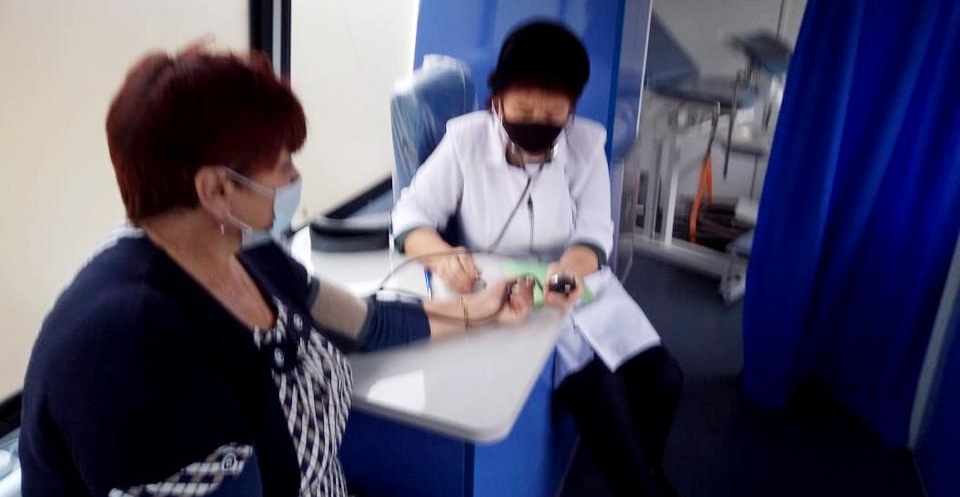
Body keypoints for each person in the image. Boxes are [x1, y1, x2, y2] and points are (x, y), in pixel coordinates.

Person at [18, 45, 534, 497]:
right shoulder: (132, 345)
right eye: (284, 166)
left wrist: (475, 310)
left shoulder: (240, 246)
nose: (295, 179)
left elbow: (364, 324)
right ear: (216, 190)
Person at [392, 21, 684, 497]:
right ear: (497, 98)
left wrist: (569, 271)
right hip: (501, 292)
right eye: (524, 109)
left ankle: (642, 473)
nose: (537, 122)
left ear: (572, 107)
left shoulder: (586, 145)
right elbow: (411, 213)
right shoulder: (465, 141)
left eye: (553, 113)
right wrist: (442, 257)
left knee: (664, 381)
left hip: (575, 282)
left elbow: (594, 231)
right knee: (597, 392)